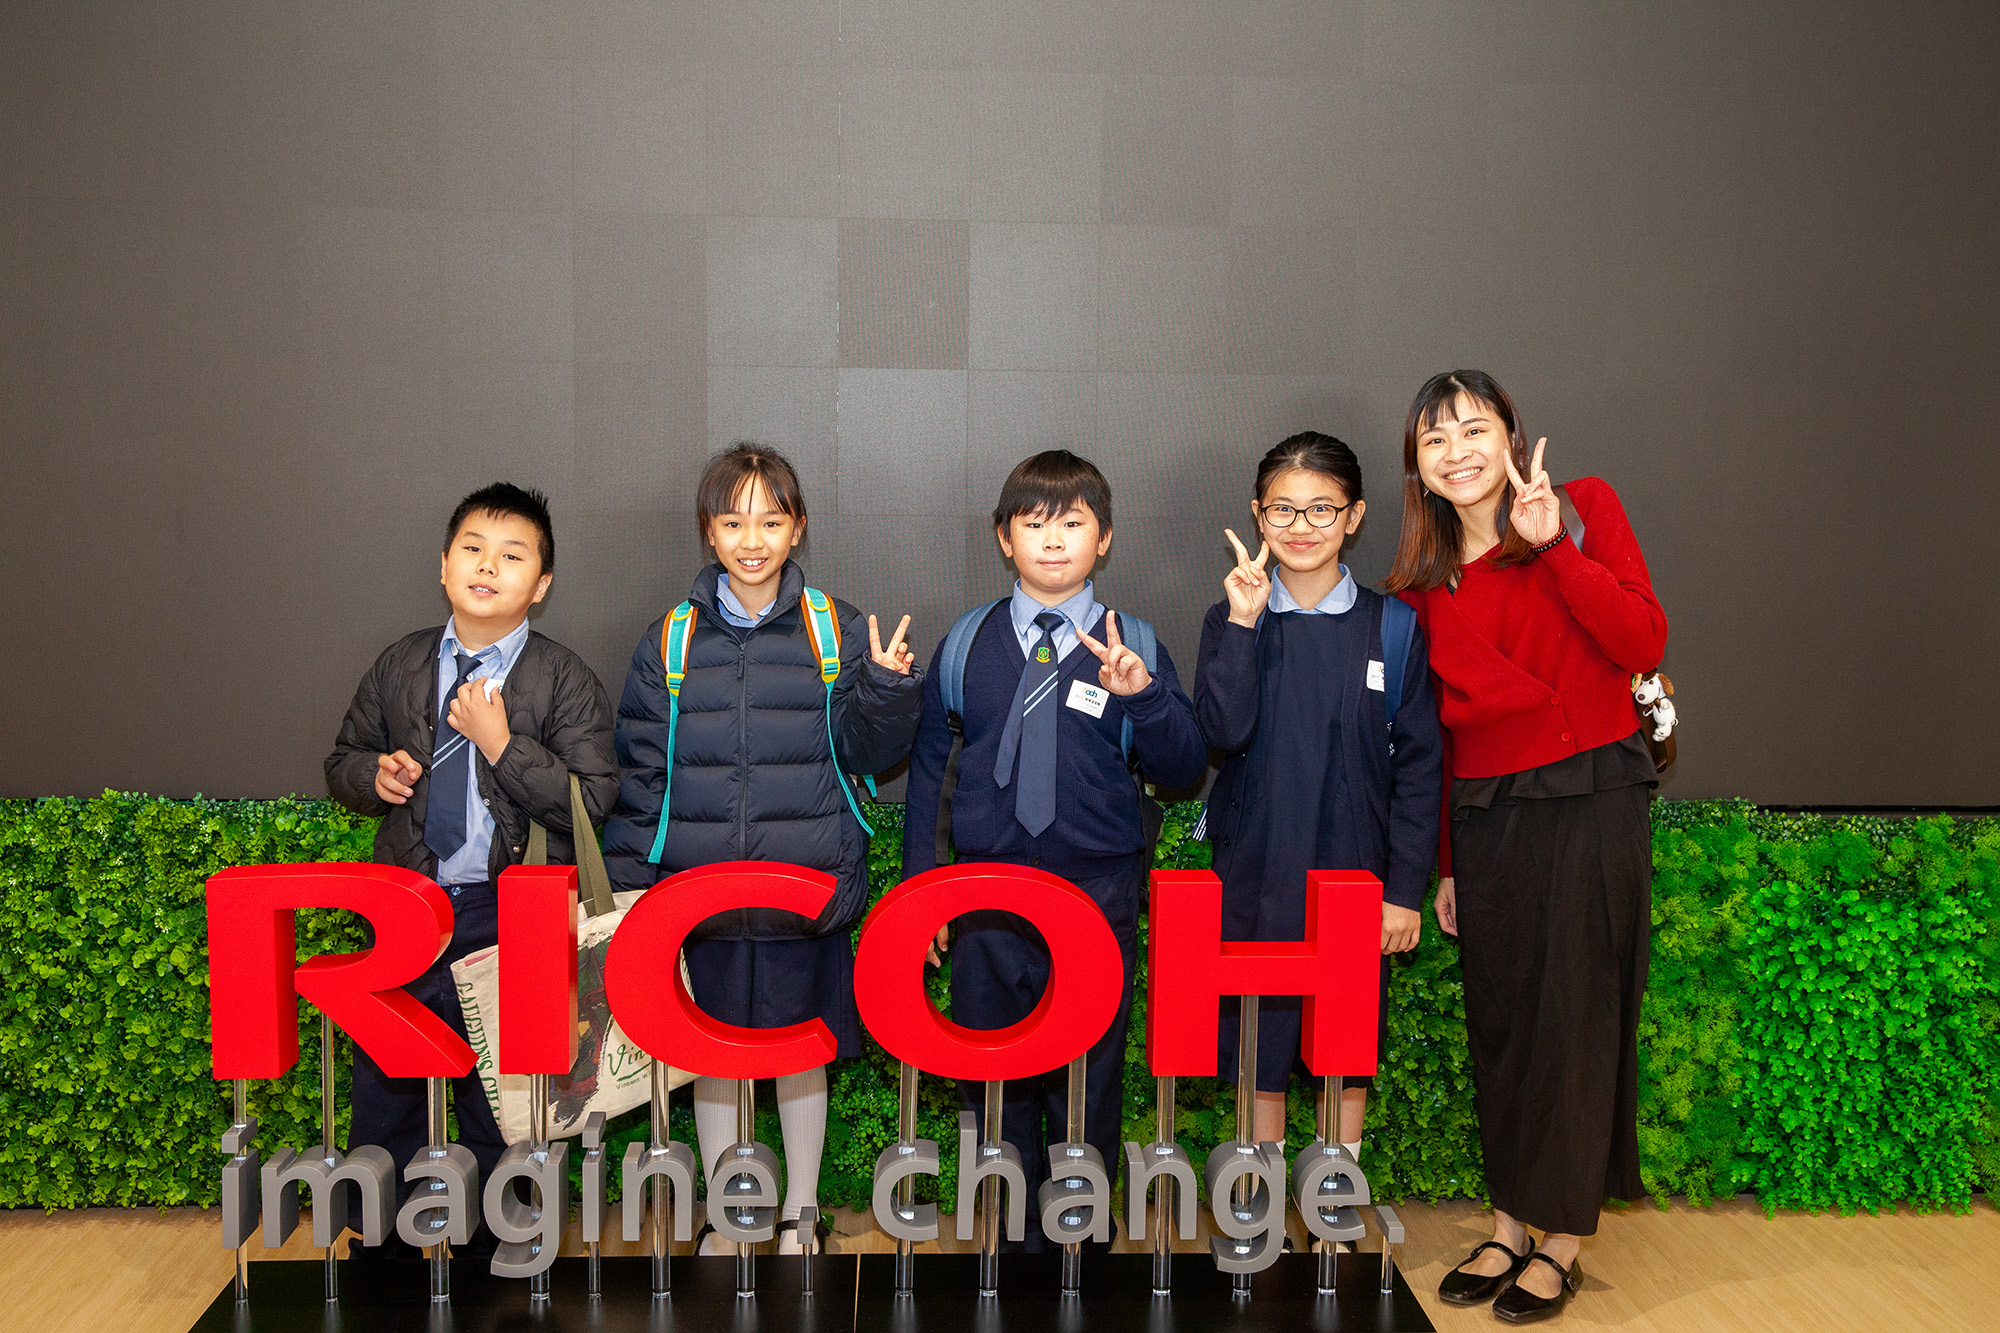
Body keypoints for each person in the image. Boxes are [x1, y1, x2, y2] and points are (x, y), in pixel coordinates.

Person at [1385, 371, 1666, 1323]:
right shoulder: (1419, 587)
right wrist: (1446, 866)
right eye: (1435, 439)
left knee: (1578, 1021)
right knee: (1503, 1025)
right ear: (1418, 466)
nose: (1457, 451)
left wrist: (1552, 549)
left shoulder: (1581, 509)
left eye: (1474, 428)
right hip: (1486, 818)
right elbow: (1436, 740)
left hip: (1593, 795)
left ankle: (1563, 1242)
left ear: (1511, 434)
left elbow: (1641, 639)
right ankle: (1508, 1224)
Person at [599, 442, 922, 1255]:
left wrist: (886, 689)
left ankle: (800, 1214)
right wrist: (632, 894)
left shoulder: (834, 627)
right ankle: (728, 1215)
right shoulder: (670, 639)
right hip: (697, 898)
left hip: (803, 890)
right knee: (709, 1058)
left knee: (800, 1053)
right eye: (734, 521)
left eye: (771, 521)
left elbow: (869, 753)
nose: (753, 540)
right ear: (708, 530)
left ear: (797, 527)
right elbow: (643, 774)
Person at [901, 449, 1207, 1252]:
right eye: (1034, 523)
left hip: (1094, 892)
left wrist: (1145, 696)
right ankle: (1007, 1228)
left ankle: (1077, 1228)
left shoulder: (1133, 641)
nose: (1053, 539)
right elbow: (931, 772)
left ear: (1104, 539)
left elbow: (1183, 767)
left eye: (1073, 522)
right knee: (990, 1066)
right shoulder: (967, 643)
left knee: (1089, 1071)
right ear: (1004, 538)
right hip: (985, 896)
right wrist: (924, 894)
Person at [324, 481, 618, 1260]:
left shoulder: (563, 677)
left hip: (508, 911)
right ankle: (380, 1246)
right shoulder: (402, 662)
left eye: (512, 555)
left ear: (541, 585)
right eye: (473, 550)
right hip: (409, 904)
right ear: (444, 566)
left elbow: (592, 799)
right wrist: (371, 775)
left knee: (503, 1092)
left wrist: (500, 745)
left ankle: (501, 1242)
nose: (489, 566)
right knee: (386, 1078)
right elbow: (343, 758)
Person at [1192, 432, 1442, 1169]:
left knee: (1345, 1042)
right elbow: (1220, 732)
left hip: (1353, 876)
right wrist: (1244, 623)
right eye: (1283, 510)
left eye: (1322, 509)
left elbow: (1420, 769)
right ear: (1258, 515)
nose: (1301, 527)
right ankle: (1259, 1194)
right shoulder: (1230, 617)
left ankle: (1335, 1189)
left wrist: (1402, 892)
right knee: (1259, 1040)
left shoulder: (1392, 627)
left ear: (1354, 516)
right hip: (1256, 869)